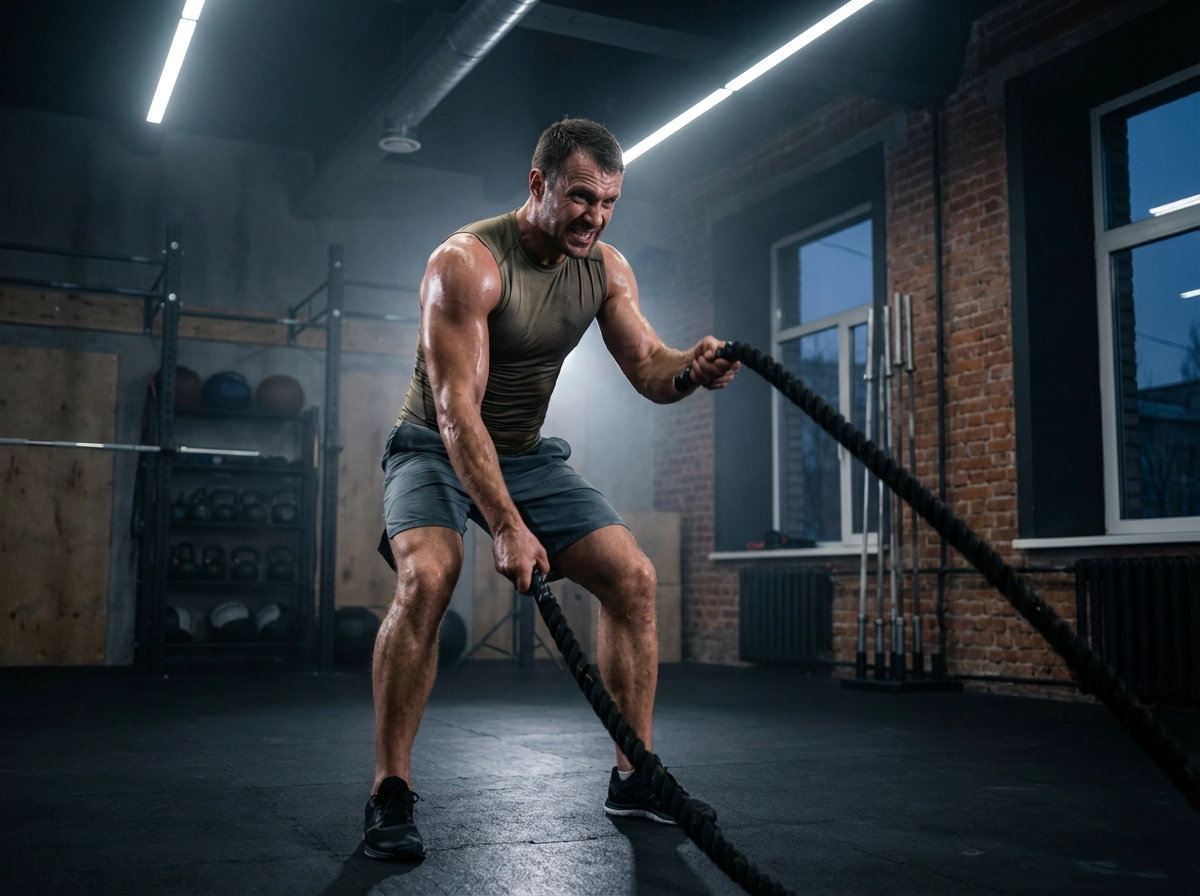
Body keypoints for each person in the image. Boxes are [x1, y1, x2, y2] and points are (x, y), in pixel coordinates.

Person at [364, 118, 740, 861]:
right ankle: (390, 788)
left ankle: (634, 777)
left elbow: (649, 366)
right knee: (428, 576)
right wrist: (506, 523)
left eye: (608, 202)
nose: (594, 217)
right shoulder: (465, 263)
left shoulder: (605, 269)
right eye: (580, 197)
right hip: (433, 445)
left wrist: (690, 370)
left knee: (633, 577)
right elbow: (457, 412)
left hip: (526, 455)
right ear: (538, 184)